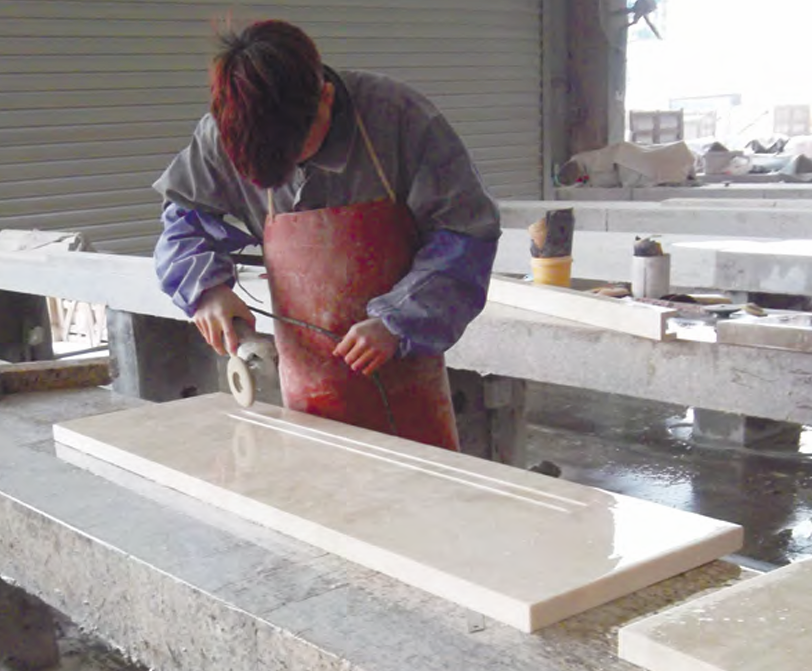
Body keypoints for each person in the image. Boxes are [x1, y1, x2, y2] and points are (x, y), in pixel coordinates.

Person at [153, 19, 501, 451]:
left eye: (293, 153)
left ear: (326, 99)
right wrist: (206, 290)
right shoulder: (226, 132)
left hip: (405, 383)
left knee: (418, 486)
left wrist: (400, 319)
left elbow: (467, 231)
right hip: (304, 382)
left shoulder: (399, 119)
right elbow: (184, 224)